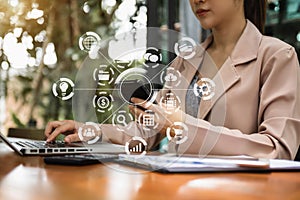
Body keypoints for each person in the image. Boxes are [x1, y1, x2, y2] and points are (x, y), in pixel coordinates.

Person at [45, 0, 300, 159]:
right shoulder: (186, 61)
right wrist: (92, 130)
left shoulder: (277, 56)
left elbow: (276, 148)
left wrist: (182, 125)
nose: (196, 0)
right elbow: (148, 132)